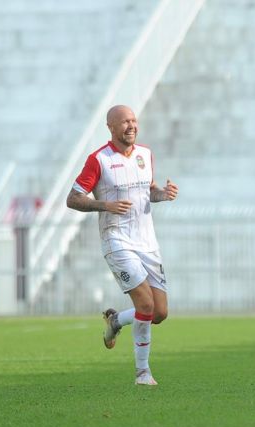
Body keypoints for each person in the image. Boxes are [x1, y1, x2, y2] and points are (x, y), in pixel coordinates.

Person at [66, 105, 178, 386]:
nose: (131, 125)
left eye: (134, 120)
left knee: (159, 313)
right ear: (111, 127)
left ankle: (116, 321)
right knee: (145, 304)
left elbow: (147, 189)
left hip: (147, 242)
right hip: (117, 240)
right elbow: (73, 198)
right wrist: (105, 204)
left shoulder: (145, 155)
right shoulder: (98, 160)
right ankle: (143, 373)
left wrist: (162, 194)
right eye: (124, 122)